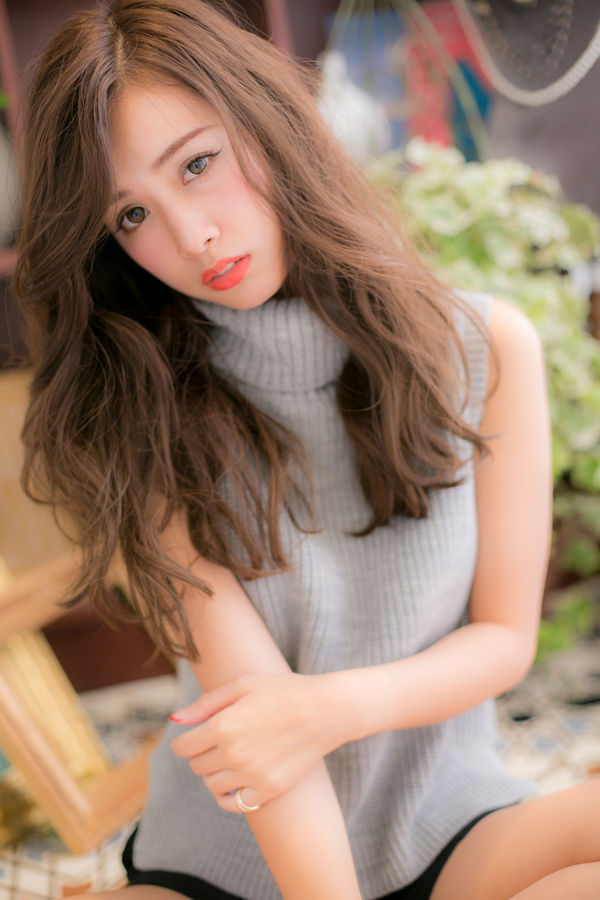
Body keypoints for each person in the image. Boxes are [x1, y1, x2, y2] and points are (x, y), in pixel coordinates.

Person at [14, 1, 599, 898]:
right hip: (238, 858)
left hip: (447, 822)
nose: (191, 236)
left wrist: (329, 708)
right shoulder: (147, 414)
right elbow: (259, 734)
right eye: (130, 216)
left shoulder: (486, 349)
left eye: (198, 164)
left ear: (269, 123)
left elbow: (503, 640)